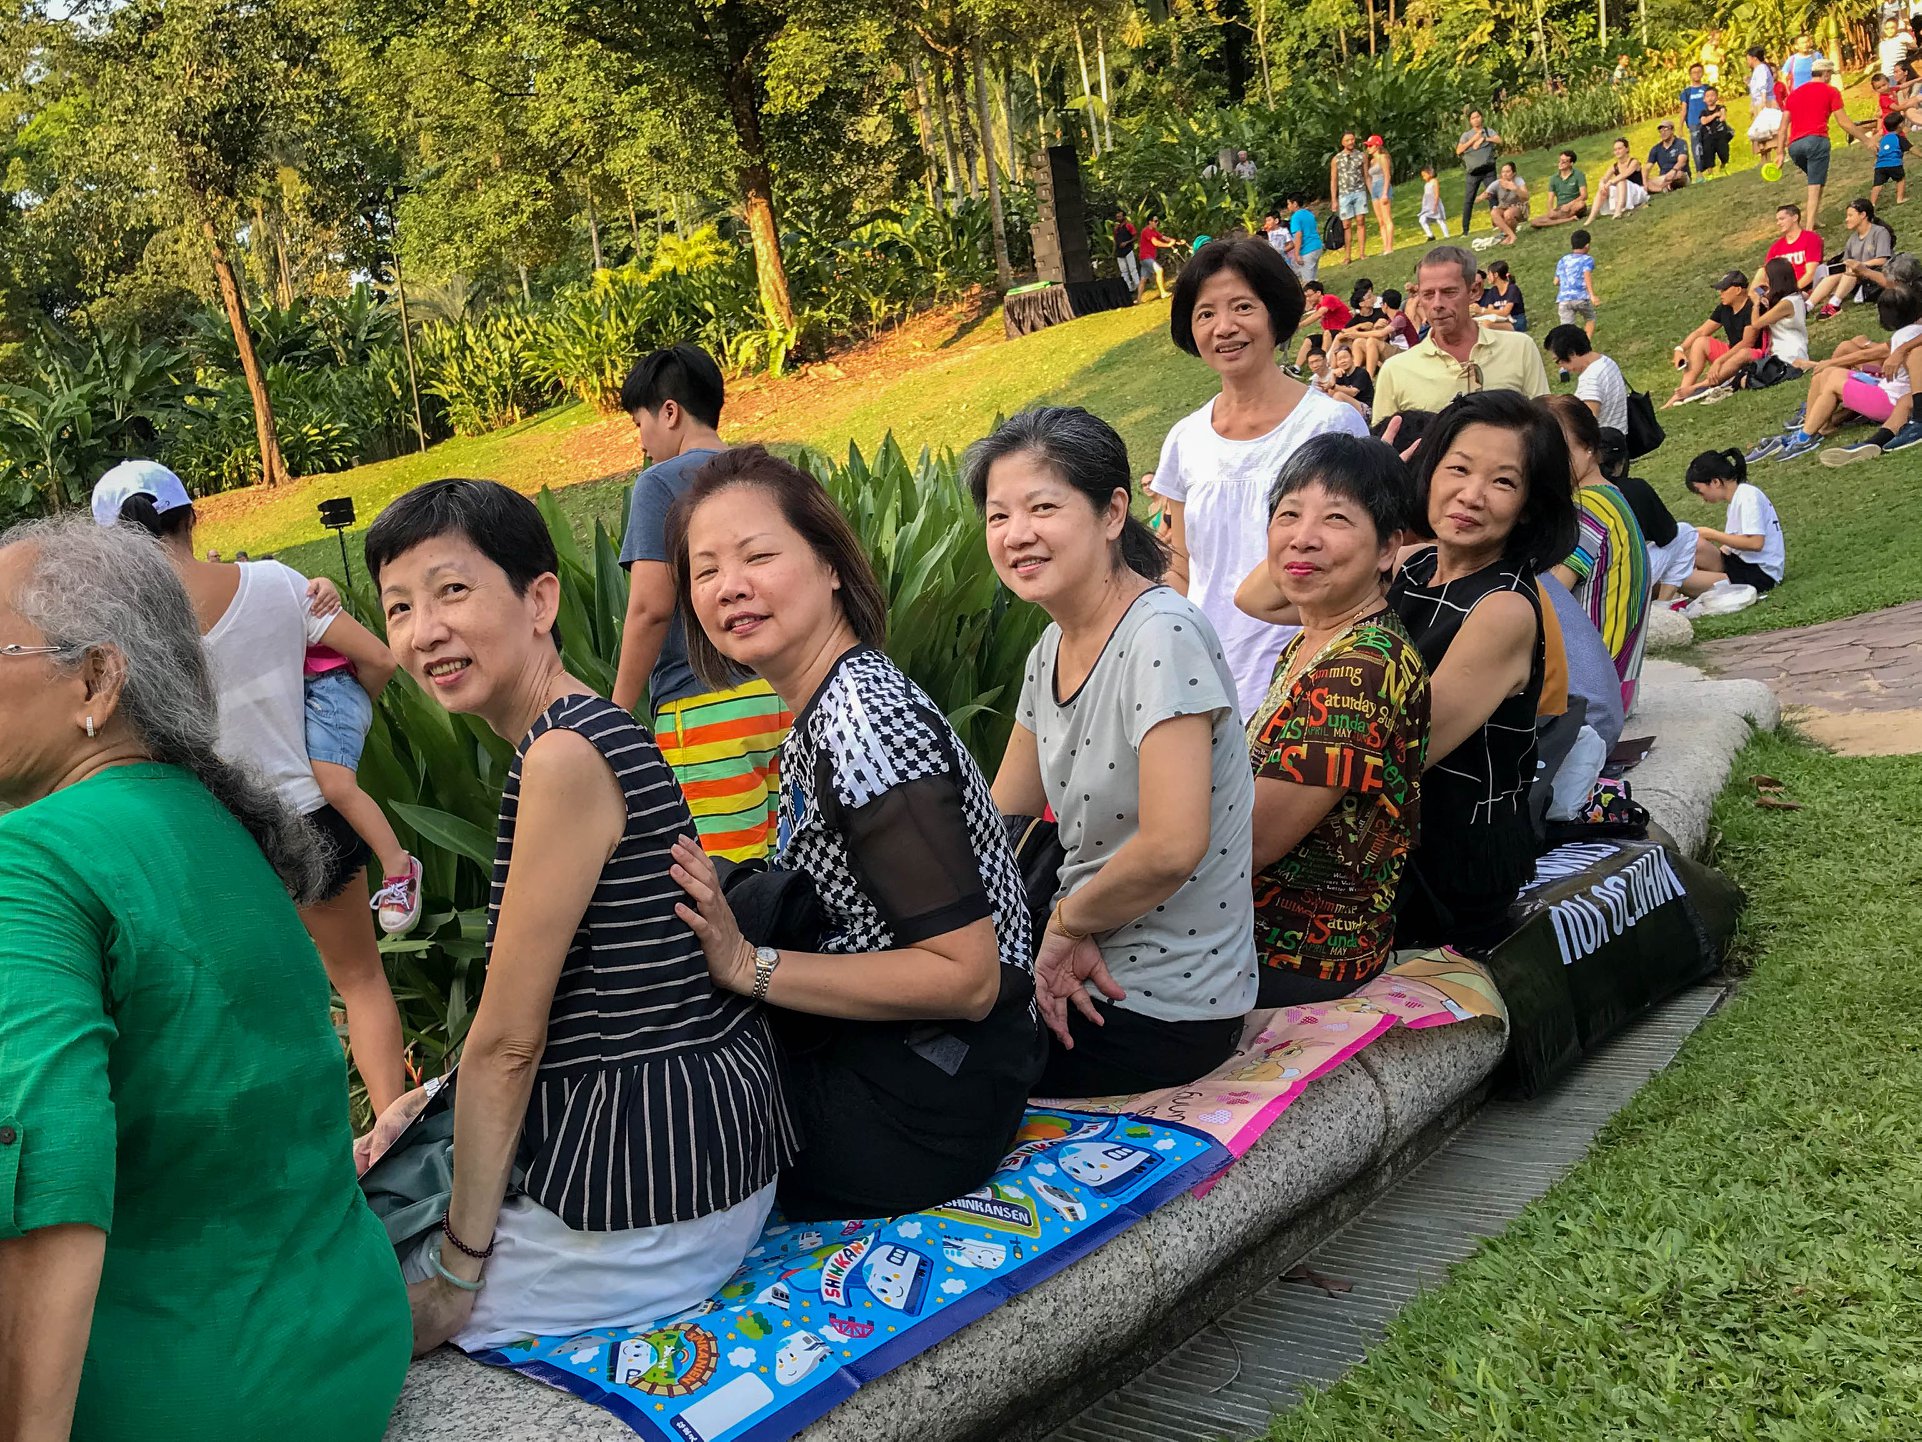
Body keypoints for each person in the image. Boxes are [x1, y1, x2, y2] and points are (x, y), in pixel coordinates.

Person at [0, 519, 411, 1442]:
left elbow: (44, 1197)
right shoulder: (226, 822)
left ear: (97, 681)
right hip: (347, 1344)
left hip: (178, 1401)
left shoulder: (31, 863)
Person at [363, 478, 792, 1350]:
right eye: (399, 607)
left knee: (321, 1316)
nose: (425, 631)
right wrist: (437, 1099)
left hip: (650, 1202)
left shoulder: (563, 756)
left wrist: (454, 1279)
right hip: (697, 1159)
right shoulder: (588, 728)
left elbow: (511, 1042)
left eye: (452, 590)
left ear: (540, 599)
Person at [659, 447, 1041, 1220]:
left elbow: (966, 977)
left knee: (658, 1133)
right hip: (911, 1067)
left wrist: (750, 966)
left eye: (758, 555)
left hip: (924, 1102)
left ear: (831, 565)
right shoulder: (830, 706)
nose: (730, 586)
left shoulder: (864, 722)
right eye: (705, 571)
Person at [89, 460, 409, 1116]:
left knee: (269, 1007)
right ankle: (392, 1132)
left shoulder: (119, 644)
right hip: (310, 818)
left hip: (213, 844)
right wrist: (334, 740)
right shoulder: (278, 584)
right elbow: (377, 657)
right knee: (360, 982)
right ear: (192, 514)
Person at [971, 409, 1255, 1094]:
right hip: (1074, 951)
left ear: (1111, 513)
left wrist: (1066, 926)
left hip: (1159, 1000)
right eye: (998, 516)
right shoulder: (1052, 648)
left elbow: (1170, 846)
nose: (1017, 535)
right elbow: (999, 817)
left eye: (1043, 507)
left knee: (927, 1069)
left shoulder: (1162, 634)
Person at [1251, 393, 1575, 954]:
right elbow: (1258, 596)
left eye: (1502, 482)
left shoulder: (1504, 608)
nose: (1470, 495)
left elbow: (1404, 749)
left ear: (1527, 505)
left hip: (1447, 862)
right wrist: (1365, 495)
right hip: (1380, 842)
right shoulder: (1412, 562)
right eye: (1457, 469)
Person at [1242, 434, 1429, 1007]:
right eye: (1288, 514)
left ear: (1387, 548)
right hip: (1251, 937)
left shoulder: (1359, 671)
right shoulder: (1314, 638)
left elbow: (1251, 841)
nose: (1303, 537)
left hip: (1294, 955)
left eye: (1337, 519)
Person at [1153, 236, 1370, 720]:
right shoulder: (1185, 439)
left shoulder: (1328, 426)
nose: (1224, 327)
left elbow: (1359, 568)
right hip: (1204, 678)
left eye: (1243, 307)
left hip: (1310, 674)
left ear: (1275, 314)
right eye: (1205, 313)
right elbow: (1184, 563)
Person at [614, 345, 790, 862]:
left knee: (725, 879)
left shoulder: (660, 484)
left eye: (639, 422)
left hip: (706, 711)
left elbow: (651, 607)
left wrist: (617, 715)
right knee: (791, 867)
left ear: (669, 412)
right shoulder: (764, 473)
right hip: (784, 698)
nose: (642, 442)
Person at [302, 637, 423, 937]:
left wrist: (325, 587)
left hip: (326, 685)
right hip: (309, 689)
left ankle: (399, 866)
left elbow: (382, 660)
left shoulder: (284, 591)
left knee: (337, 786)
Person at [1545, 395, 1651, 714]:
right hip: (1616, 686)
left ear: (1590, 447)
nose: (1546, 462)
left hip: (1590, 695)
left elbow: (1547, 596)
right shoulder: (1610, 497)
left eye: (1557, 450)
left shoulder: (1588, 509)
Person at [1372, 246, 1552, 421]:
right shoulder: (1395, 371)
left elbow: (1547, 428)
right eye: (1427, 294)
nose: (1437, 304)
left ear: (1473, 291)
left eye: (1448, 292)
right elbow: (1384, 449)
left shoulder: (1519, 349)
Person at [1771, 266, 1922, 461]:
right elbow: (1873, 352)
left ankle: (1805, 436)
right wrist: (1830, 362)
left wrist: (1831, 362)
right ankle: (1811, 426)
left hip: (1890, 400)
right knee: (1828, 372)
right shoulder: (1910, 333)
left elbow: (1870, 354)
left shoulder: (1906, 336)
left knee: (1832, 378)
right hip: (1888, 392)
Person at [1783, 57, 1873, 227]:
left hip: (1794, 147)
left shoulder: (1794, 94)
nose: (1830, 77)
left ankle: (1814, 218)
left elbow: (1783, 126)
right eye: (1830, 74)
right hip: (1817, 141)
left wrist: (1780, 153)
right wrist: (1866, 140)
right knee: (1815, 183)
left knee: (1817, 177)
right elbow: (1844, 122)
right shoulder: (1830, 91)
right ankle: (1809, 228)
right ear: (1825, 74)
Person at [1680, 450, 1786, 594]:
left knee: (1680, 579)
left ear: (1715, 482)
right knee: (1694, 543)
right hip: (1739, 563)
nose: (1702, 498)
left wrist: (1712, 534)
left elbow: (1755, 543)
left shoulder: (1747, 496)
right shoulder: (1737, 499)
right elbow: (1732, 544)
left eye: (1700, 491)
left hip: (1759, 573)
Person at [1668, 269, 1757, 404]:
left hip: (1750, 356)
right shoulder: (1724, 308)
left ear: (1738, 290)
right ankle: (1681, 392)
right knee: (1700, 342)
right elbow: (1701, 331)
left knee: (1743, 353)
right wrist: (1680, 349)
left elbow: (1747, 342)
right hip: (1731, 353)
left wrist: (1719, 361)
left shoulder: (1751, 308)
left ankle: (1698, 388)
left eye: (1724, 289)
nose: (1720, 293)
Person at [1808, 197, 1895, 319]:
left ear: (1863, 215)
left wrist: (1859, 265)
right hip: (1857, 277)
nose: (1846, 219)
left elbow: (1882, 260)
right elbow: (1846, 262)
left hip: (1876, 276)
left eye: (1850, 215)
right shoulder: (1852, 239)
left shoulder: (1880, 232)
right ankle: (1808, 306)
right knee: (1837, 272)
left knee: (1851, 269)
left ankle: (1835, 304)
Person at [1543, 325, 1628, 437]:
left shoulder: (1590, 378)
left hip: (1604, 446)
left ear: (1572, 353)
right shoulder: (1605, 361)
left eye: (1558, 361)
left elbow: (1587, 424)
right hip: (1620, 436)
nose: (1562, 367)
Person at [1455, 110, 1503, 233]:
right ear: (1470, 121)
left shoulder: (1488, 131)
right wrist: (1473, 140)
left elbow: (1499, 140)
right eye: (1473, 118)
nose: (1476, 119)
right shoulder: (1466, 135)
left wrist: (1484, 139)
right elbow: (1459, 150)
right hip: (1473, 173)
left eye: (1478, 117)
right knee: (1468, 200)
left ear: (1481, 117)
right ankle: (1465, 230)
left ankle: (1497, 223)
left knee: (1493, 196)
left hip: (1488, 170)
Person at [1294, 280, 1354, 371]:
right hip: (1330, 334)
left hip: (1344, 331)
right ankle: (1296, 367)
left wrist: (1300, 325)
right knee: (1309, 339)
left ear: (1318, 293)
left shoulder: (1329, 298)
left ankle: (1323, 365)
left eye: (1309, 296)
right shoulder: (1318, 306)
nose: (1307, 299)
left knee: (1326, 333)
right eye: (1305, 297)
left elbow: (1319, 314)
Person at [1764, 202, 1824, 291]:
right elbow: (1764, 275)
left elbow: (1811, 272)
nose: (1778, 223)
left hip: (1802, 288)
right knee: (1759, 274)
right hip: (1778, 290)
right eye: (1777, 220)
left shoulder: (1811, 238)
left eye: (1782, 219)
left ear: (1795, 218)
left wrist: (1792, 290)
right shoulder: (1776, 247)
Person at [1331, 132, 1370, 262]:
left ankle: (1362, 252)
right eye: (1347, 140)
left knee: (1360, 222)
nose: (1350, 142)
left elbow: (1366, 176)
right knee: (1346, 225)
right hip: (1344, 194)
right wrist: (1334, 199)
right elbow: (1334, 180)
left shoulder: (1361, 156)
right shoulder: (1337, 159)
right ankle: (1347, 255)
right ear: (1342, 143)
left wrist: (1372, 192)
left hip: (1359, 191)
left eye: (1352, 139)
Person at [1587, 136, 1648, 219]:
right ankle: (1591, 217)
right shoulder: (1614, 166)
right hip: (1623, 193)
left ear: (1627, 149)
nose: (1617, 151)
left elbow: (1625, 174)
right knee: (1602, 189)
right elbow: (1604, 178)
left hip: (1637, 192)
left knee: (1622, 181)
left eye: (1619, 149)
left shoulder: (1634, 162)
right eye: (1615, 150)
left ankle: (1618, 211)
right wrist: (1601, 184)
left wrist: (1611, 181)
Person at [1554, 230, 1600, 335]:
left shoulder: (1563, 260)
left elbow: (1556, 281)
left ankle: (1569, 348)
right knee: (1590, 318)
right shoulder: (1587, 259)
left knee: (1567, 328)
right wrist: (1592, 295)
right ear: (1587, 246)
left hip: (1564, 299)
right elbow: (1586, 275)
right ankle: (1585, 345)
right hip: (1581, 297)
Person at [1531, 150, 1588, 228]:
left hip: (1573, 206)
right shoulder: (1553, 178)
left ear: (1571, 163)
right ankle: (1568, 219)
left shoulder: (1578, 175)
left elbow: (1584, 195)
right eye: (1560, 161)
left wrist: (1569, 205)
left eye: (1564, 162)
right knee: (1534, 222)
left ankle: (1556, 221)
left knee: (1581, 204)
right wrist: (1550, 210)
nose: (1560, 163)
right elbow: (1550, 198)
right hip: (1560, 209)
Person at [1746, 47, 1783, 164]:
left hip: (1766, 101)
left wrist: (1763, 102)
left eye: (1748, 59)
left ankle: (1779, 154)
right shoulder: (1757, 70)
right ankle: (1764, 158)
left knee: (1770, 129)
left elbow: (1763, 86)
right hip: (1758, 102)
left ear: (1754, 58)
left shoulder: (1761, 69)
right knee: (1761, 130)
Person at [1481, 162, 1530, 243]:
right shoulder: (1497, 183)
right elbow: (1481, 196)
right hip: (1504, 207)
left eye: (1508, 172)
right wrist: (1482, 197)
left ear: (1514, 173)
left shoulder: (1518, 180)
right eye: (1503, 172)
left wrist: (1515, 189)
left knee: (1508, 214)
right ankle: (1511, 236)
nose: (1505, 174)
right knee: (1494, 212)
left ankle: (1510, 236)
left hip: (1519, 207)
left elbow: (1526, 197)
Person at [1137, 215, 1182, 301]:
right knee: (1159, 270)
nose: (1157, 223)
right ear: (1150, 222)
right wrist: (1168, 245)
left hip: (1146, 258)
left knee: (1143, 279)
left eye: (1157, 221)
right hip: (1146, 257)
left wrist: (1175, 241)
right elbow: (1155, 243)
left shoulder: (1154, 232)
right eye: (1155, 221)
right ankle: (1163, 293)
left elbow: (1164, 237)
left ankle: (1138, 299)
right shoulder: (1147, 231)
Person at [1872, 111, 1911, 208]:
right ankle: (1900, 198)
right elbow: (1911, 148)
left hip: (1880, 166)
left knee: (1877, 185)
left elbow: (1879, 151)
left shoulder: (1884, 139)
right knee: (1900, 179)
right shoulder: (1899, 138)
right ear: (1900, 125)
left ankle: (1872, 203)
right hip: (1895, 164)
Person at [1366, 134, 1395, 254]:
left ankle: (1389, 246)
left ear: (1377, 146)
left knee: (1387, 218)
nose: (1368, 148)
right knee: (1380, 221)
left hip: (1383, 185)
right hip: (1375, 188)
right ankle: (1385, 246)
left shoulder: (1383, 158)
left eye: (1370, 145)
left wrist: (1384, 192)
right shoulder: (1372, 161)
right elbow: (1369, 177)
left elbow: (1387, 175)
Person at [1478, 260, 1526, 332]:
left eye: (1489, 274)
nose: (1487, 277)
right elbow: (1490, 310)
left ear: (1496, 275)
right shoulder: (1493, 291)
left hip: (1515, 321)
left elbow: (1505, 312)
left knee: (1487, 325)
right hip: (1500, 320)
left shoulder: (1512, 289)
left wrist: (1481, 310)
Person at [1286, 195, 1324, 284]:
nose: (1288, 206)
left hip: (1307, 250)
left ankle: (1315, 295)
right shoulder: (1309, 213)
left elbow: (1298, 235)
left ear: (1295, 204)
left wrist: (1297, 254)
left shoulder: (1295, 217)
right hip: (1317, 246)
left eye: (1288, 204)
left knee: (1308, 282)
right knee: (1313, 277)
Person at [1647, 120, 1692, 193]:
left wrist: (1673, 171)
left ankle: (1659, 188)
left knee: (1679, 175)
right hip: (1664, 178)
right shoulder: (1656, 149)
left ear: (1672, 130)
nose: (1663, 132)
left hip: (1678, 175)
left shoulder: (1681, 143)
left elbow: (1682, 162)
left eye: (1666, 129)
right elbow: (1648, 167)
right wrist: (1644, 179)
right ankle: (1662, 189)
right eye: (1661, 130)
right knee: (1646, 181)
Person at [1698, 87, 1734, 175]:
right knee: (1708, 154)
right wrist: (1715, 115)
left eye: (1712, 95)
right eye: (1707, 96)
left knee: (1724, 152)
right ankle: (1710, 173)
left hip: (1721, 135)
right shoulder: (1703, 112)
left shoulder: (1721, 107)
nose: (1710, 98)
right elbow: (1704, 121)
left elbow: (1722, 117)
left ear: (1717, 97)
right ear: (1704, 99)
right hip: (1708, 137)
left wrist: (1719, 114)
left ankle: (1723, 166)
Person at [1113, 209, 1141, 294]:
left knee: (1133, 269)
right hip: (1119, 252)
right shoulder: (1116, 229)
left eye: (1120, 216)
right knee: (1124, 271)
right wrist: (1113, 252)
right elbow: (1115, 241)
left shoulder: (1129, 226)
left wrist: (1127, 242)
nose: (1118, 218)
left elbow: (1135, 236)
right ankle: (1128, 288)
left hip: (1128, 250)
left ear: (1123, 217)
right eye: (1117, 217)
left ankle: (1138, 285)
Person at [1418, 166, 1450, 239]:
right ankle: (1430, 235)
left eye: (1424, 175)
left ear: (1430, 173)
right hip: (1427, 206)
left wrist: (1435, 205)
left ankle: (1446, 235)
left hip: (1435, 204)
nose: (1423, 178)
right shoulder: (1426, 184)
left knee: (1440, 220)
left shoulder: (1434, 181)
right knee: (1422, 219)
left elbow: (1436, 194)